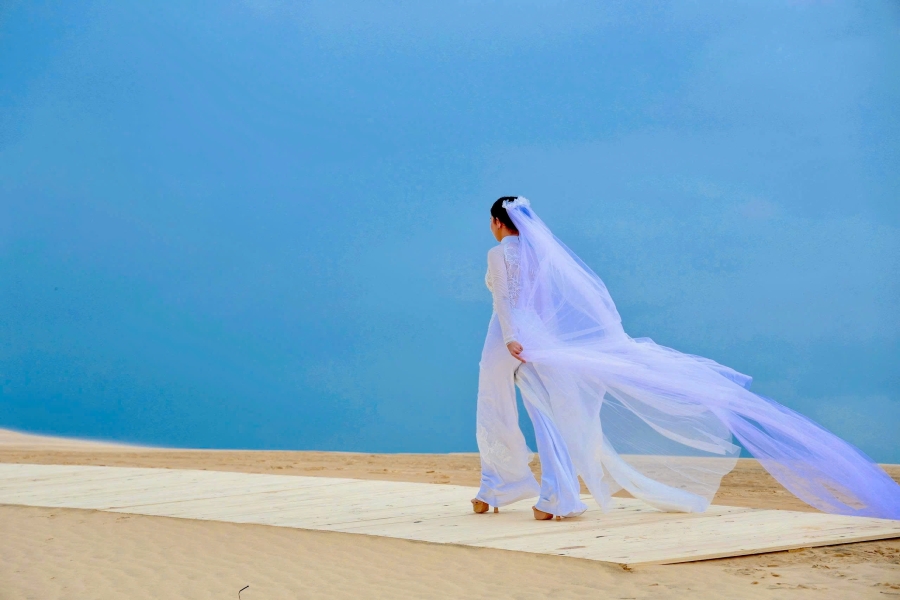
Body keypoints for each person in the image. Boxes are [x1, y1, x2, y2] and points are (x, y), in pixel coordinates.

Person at [471, 196, 900, 521]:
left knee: (494, 407)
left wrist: (511, 339)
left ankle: (498, 488)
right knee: (550, 416)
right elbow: (546, 304)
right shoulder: (541, 255)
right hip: (541, 339)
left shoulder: (499, 252)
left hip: (508, 339)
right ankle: (553, 498)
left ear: (497, 223)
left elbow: (505, 302)